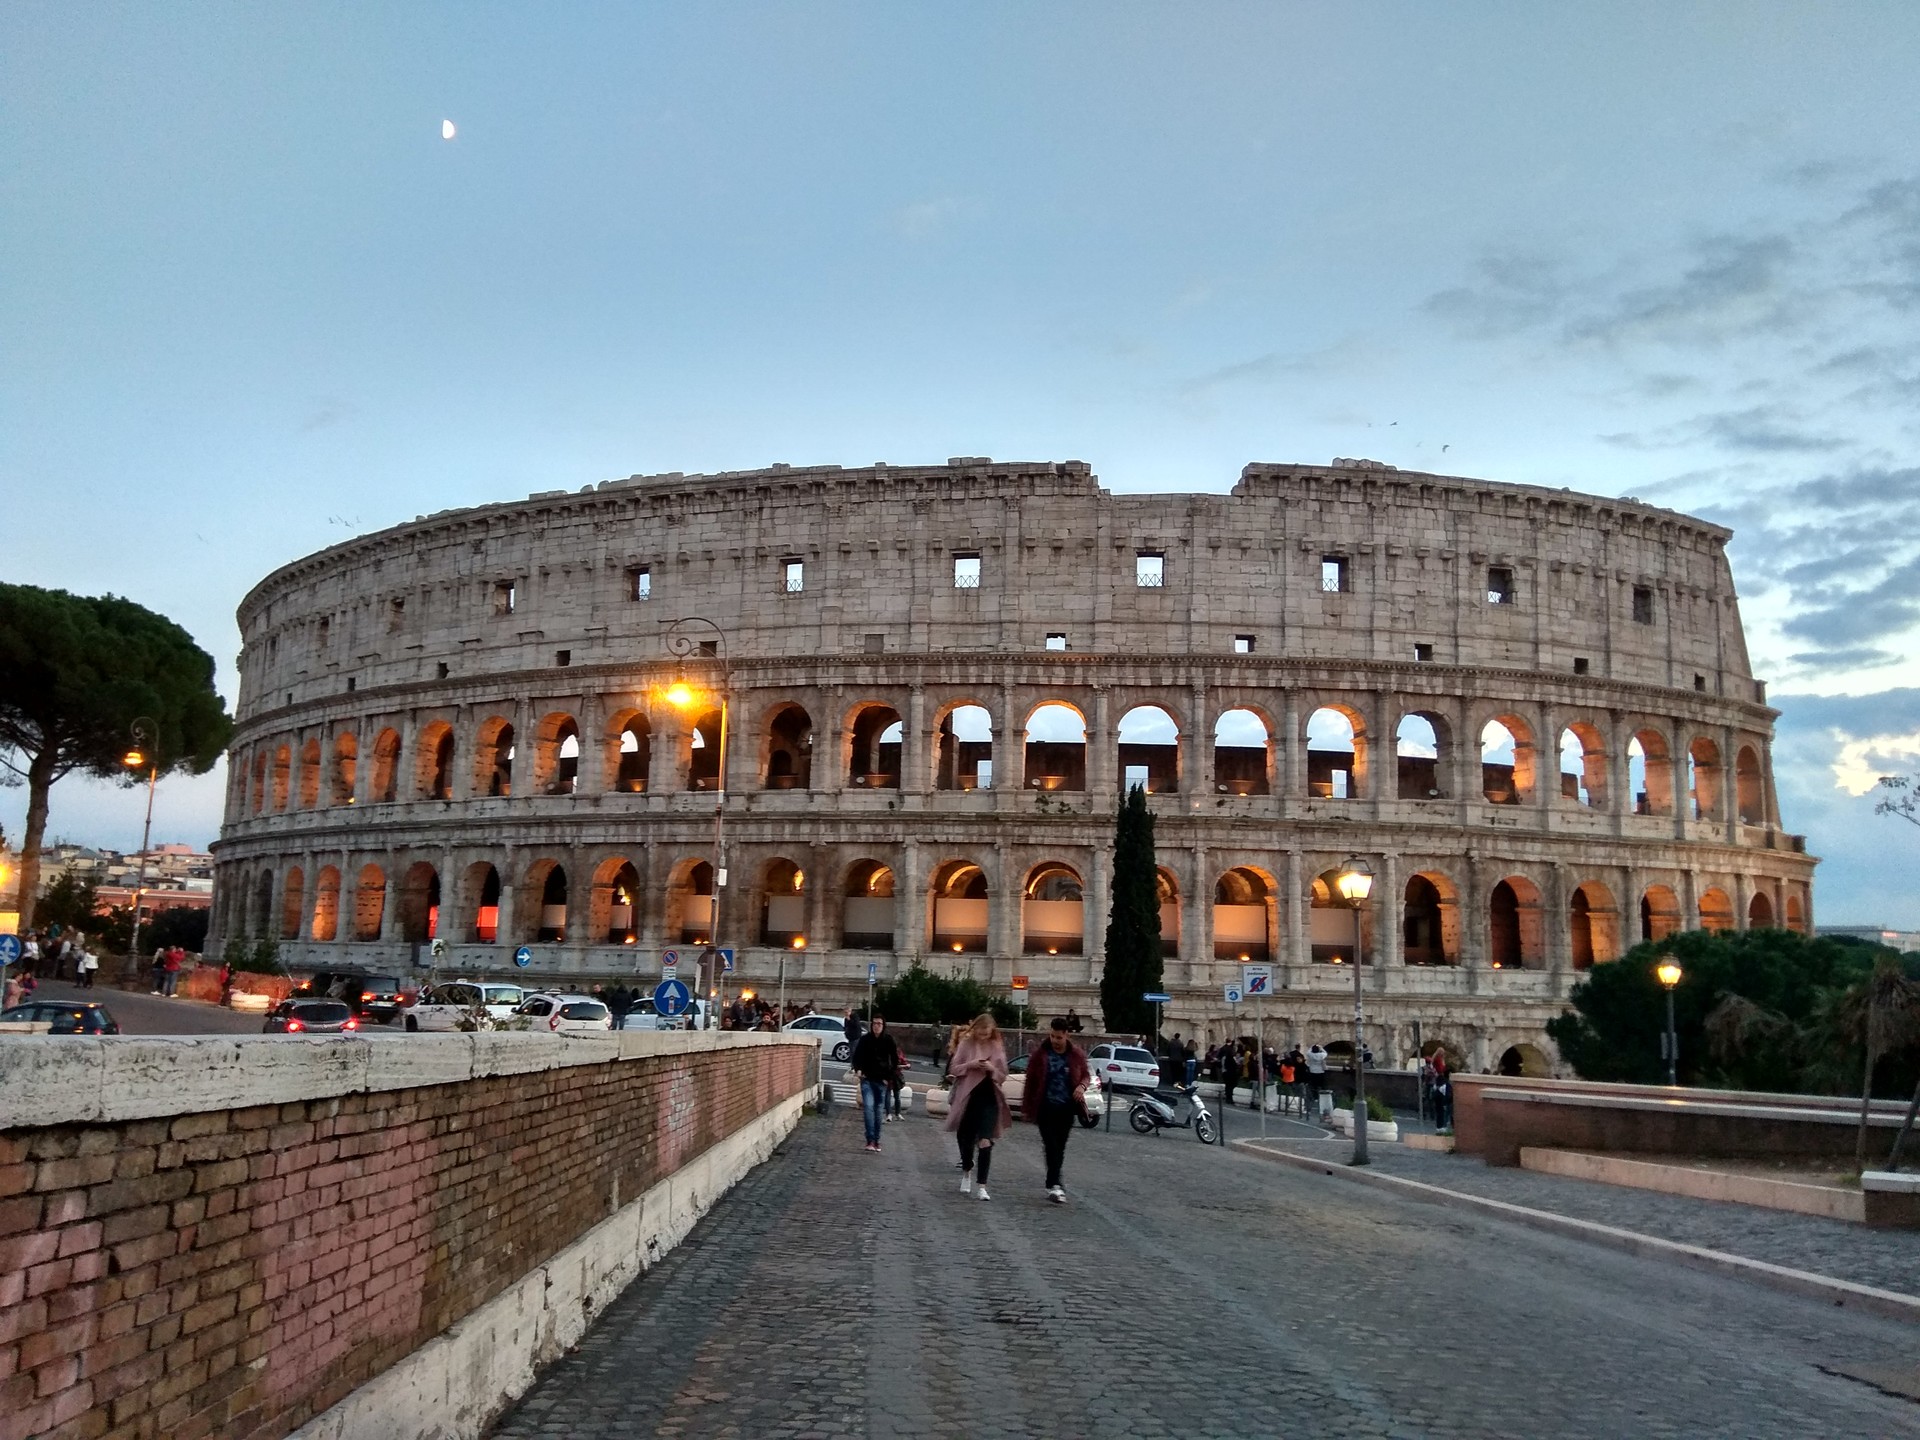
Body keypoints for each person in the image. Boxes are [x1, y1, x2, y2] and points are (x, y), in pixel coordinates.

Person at [1022, 1017, 1089, 1203]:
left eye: (1058, 1037)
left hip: (1067, 1107)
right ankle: (1054, 1184)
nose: (1055, 1040)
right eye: (1052, 1036)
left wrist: (1081, 1087)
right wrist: (1028, 1107)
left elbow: (1085, 1075)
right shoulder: (1040, 1055)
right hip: (1045, 1106)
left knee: (1060, 1146)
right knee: (1050, 1145)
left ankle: (1054, 1181)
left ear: (1066, 1035)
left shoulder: (1076, 1055)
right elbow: (1030, 1083)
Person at [944, 1013, 1010, 1200]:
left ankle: (982, 1186)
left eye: (987, 1031)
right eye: (980, 1031)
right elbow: (954, 1069)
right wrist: (972, 1064)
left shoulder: (996, 1047)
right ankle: (967, 1170)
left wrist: (992, 1069)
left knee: (985, 1140)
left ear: (991, 1031)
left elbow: (1003, 1075)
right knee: (964, 1137)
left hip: (989, 1098)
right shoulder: (966, 1044)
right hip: (968, 1097)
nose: (983, 1034)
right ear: (975, 1029)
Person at [848, 1014, 902, 1153]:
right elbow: (857, 1056)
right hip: (867, 1079)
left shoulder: (889, 1040)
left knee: (878, 1111)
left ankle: (876, 1140)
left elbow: (895, 1061)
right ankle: (870, 1140)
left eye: (879, 1023)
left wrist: (888, 1077)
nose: (876, 1026)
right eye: (874, 1023)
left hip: (882, 1080)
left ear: (883, 1026)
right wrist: (858, 1069)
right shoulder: (865, 1040)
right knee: (868, 1108)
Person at [1430, 1047, 1453, 1131]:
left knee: (1439, 1109)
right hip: (1441, 1082)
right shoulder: (1439, 1060)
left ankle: (1439, 1126)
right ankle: (1442, 1126)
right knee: (1442, 1109)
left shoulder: (1435, 1059)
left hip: (1438, 1083)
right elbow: (1441, 1069)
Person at [1305, 1042, 1328, 1113]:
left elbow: (1307, 1052)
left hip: (1312, 1071)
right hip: (1320, 1072)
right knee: (1320, 1085)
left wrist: (1312, 1045)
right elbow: (1326, 1053)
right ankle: (1320, 1097)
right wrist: (1321, 1047)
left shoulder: (1311, 1055)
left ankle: (1314, 1097)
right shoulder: (1321, 1055)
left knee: (1313, 1086)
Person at [1220, 1043, 1241, 1108]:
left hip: (1229, 1074)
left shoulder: (1228, 1058)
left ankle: (1228, 1098)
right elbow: (1233, 1066)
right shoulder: (1230, 1058)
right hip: (1231, 1074)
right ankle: (1229, 1098)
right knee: (1230, 1086)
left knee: (1228, 1086)